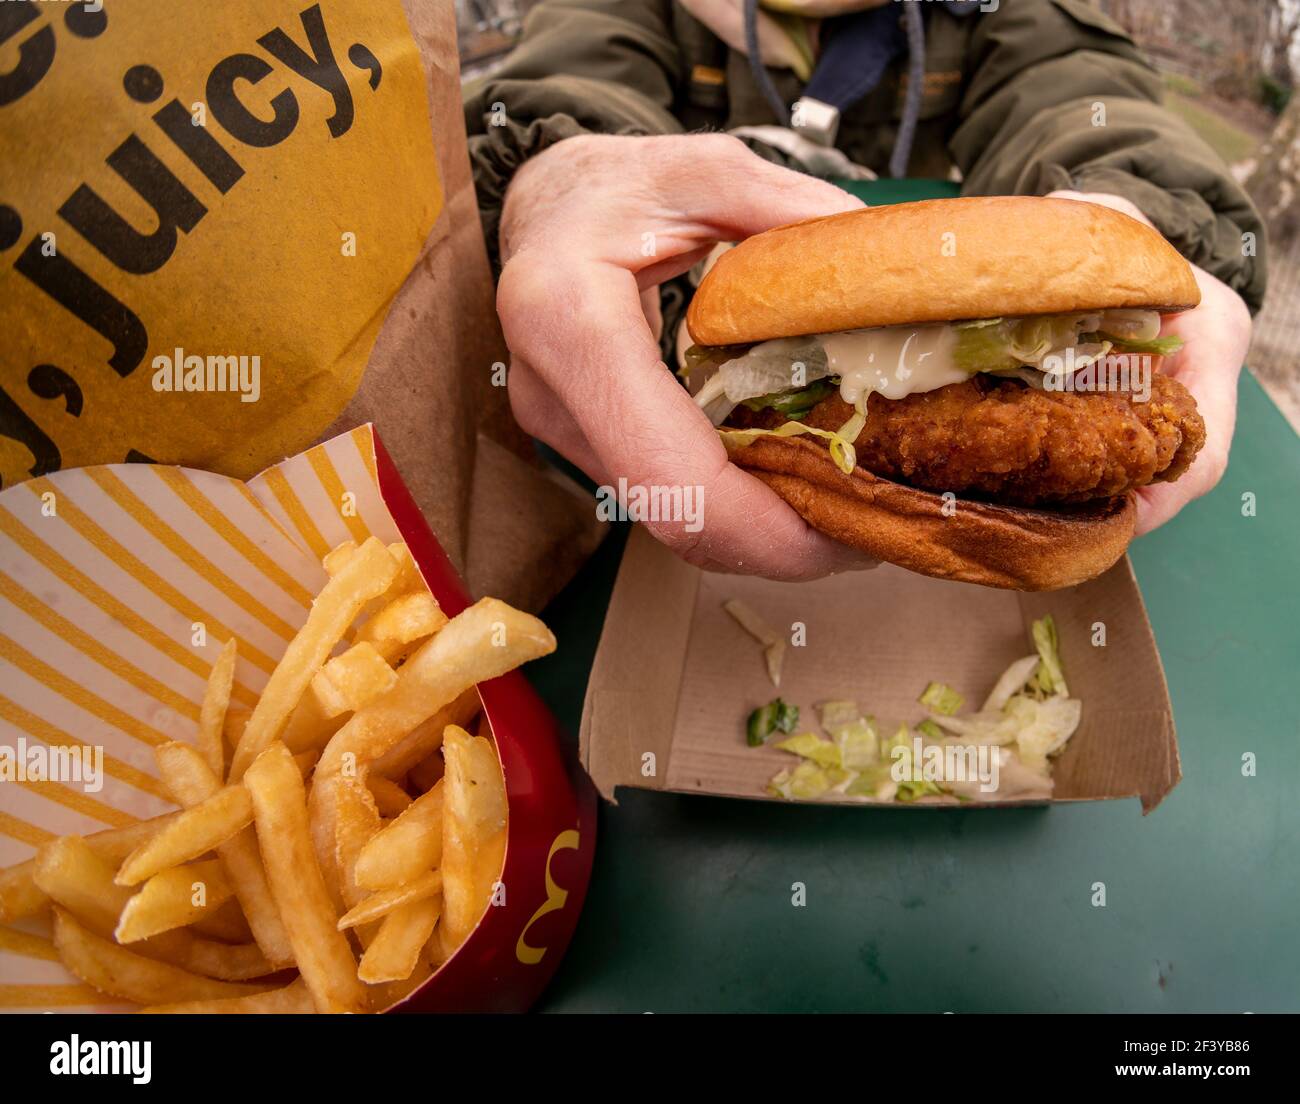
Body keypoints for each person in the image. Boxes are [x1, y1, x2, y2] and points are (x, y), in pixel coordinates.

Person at [463, 0, 1262, 579]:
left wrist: (1144, 210)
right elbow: (567, 79)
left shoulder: (1006, 16)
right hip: (614, 485)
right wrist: (547, 178)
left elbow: (1086, 99)